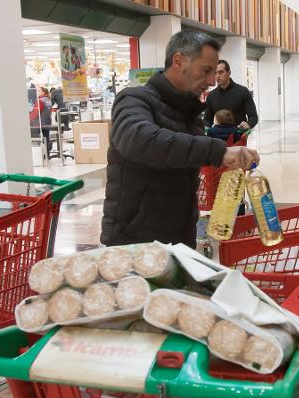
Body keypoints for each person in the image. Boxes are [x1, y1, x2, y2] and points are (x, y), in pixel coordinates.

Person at [101, 31, 259, 248]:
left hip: (180, 240)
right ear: (179, 61)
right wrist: (218, 151)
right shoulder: (134, 100)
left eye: (215, 73)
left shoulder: (190, 116)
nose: (212, 81)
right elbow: (138, 139)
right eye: (206, 71)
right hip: (134, 244)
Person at [203, 60, 258, 131]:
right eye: (215, 73)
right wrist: (205, 129)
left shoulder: (243, 92)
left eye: (220, 72)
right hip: (218, 138)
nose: (217, 76)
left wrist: (248, 124)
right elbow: (207, 119)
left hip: (239, 137)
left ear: (229, 73)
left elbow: (253, 117)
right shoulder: (211, 95)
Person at [29, 86, 53, 153]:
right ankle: (47, 152)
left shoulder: (40, 101)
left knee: (35, 138)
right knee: (46, 138)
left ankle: (37, 154)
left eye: (39, 91)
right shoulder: (48, 100)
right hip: (47, 122)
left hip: (39, 123)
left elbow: (35, 113)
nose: (37, 92)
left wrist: (27, 119)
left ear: (43, 92)